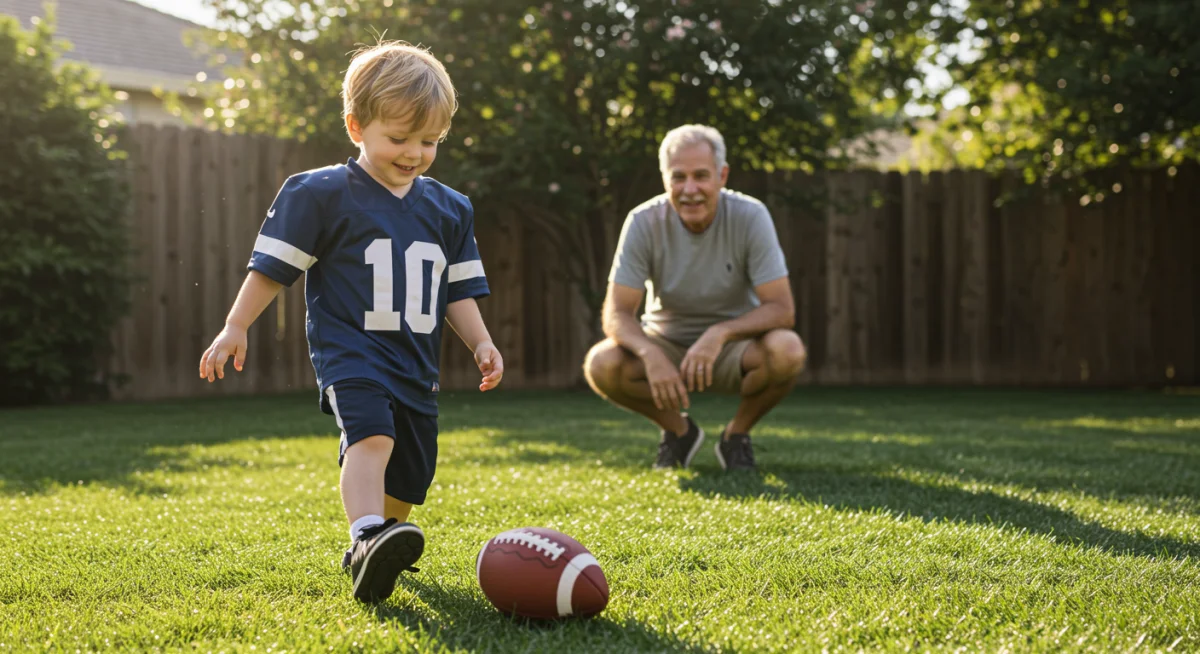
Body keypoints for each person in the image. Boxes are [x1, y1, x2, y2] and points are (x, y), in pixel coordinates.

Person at [198, 42, 503, 603]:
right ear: (356, 125)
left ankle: (381, 541)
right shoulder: (319, 194)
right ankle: (364, 535)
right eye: (399, 138)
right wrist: (234, 325)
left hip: (416, 363)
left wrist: (481, 340)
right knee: (372, 434)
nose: (414, 153)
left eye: (429, 141)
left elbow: (457, 287)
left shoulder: (451, 208)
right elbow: (273, 268)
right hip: (352, 353)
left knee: (411, 471)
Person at [583, 124, 806, 472]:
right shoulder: (642, 221)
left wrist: (720, 333)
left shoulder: (751, 216)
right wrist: (649, 352)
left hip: (736, 350)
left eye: (701, 176)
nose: (690, 190)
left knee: (788, 350)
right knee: (602, 364)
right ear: (664, 179)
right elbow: (616, 313)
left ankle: (736, 436)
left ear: (722, 175)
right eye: (678, 177)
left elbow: (781, 309)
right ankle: (679, 431)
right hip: (665, 344)